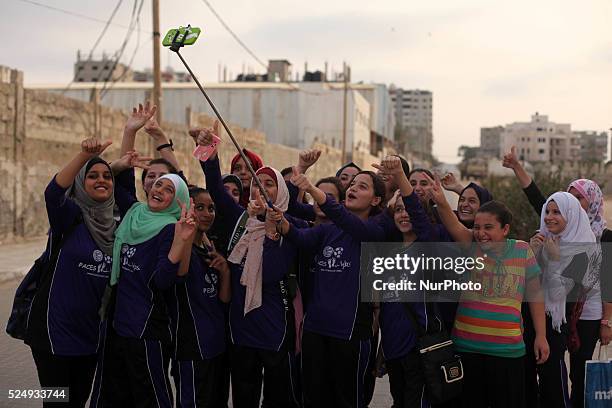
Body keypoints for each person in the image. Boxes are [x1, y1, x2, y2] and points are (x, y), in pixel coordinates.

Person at [427, 175, 550, 408]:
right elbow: (452, 224)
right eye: (477, 227)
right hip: (466, 349)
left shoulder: (523, 252)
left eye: (488, 228)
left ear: (505, 229)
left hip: (508, 353)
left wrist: (541, 337)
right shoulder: (471, 247)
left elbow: (535, 297)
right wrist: (441, 200)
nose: (480, 233)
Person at [502, 146, 612, 407]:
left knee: (578, 370)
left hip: (587, 310)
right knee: (547, 370)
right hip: (550, 315)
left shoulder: (601, 237)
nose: (572, 200)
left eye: (579, 197)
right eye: (570, 195)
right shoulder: (552, 230)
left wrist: (608, 320)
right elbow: (536, 197)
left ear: (591, 202)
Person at [274, 168, 387, 408]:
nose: (353, 188)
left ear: (376, 200)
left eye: (362, 186)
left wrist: (313, 189)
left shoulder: (375, 231)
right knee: (314, 399)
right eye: (352, 184)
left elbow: (344, 218)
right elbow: (299, 237)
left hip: (350, 334)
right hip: (315, 330)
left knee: (346, 401)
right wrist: (279, 222)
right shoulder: (327, 229)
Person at [26, 137, 126, 408]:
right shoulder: (69, 217)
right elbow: (53, 193)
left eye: (107, 176)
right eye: (92, 176)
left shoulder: (117, 226)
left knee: (78, 401)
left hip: (90, 335)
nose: (101, 180)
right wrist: (83, 155)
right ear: (81, 183)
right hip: (54, 334)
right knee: (57, 402)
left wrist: (123, 153)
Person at [101, 173, 196, 408]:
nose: (160, 190)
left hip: (146, 330)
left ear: (178, 200)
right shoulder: (135, 214)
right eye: (158, 184)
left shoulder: (169, 228)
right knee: (119, 395)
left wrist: (181, 240)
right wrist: (130, 134)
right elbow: (120, 182)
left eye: (169, 190)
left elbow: (162, 281)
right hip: (119, 326)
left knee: (151, 396)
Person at [529, 192, 600, 407]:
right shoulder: (540, 240)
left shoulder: (584, 250)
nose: (549, 217)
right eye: (547, 212)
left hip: (555, 326)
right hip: (529, 320)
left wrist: (555, 258)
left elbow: (561, 293)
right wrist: (531, 253)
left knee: (554, 383)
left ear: (571, 215)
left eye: (557, 212)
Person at [169, 187, 232, 407]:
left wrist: (225, 272)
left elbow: (223, 300)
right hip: (192, 348)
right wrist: (188, 231)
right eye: (200, 207)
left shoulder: (210, 249)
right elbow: (180, 273)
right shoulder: (183, 248)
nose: (207, 213)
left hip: (217, 346)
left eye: (211, 208)